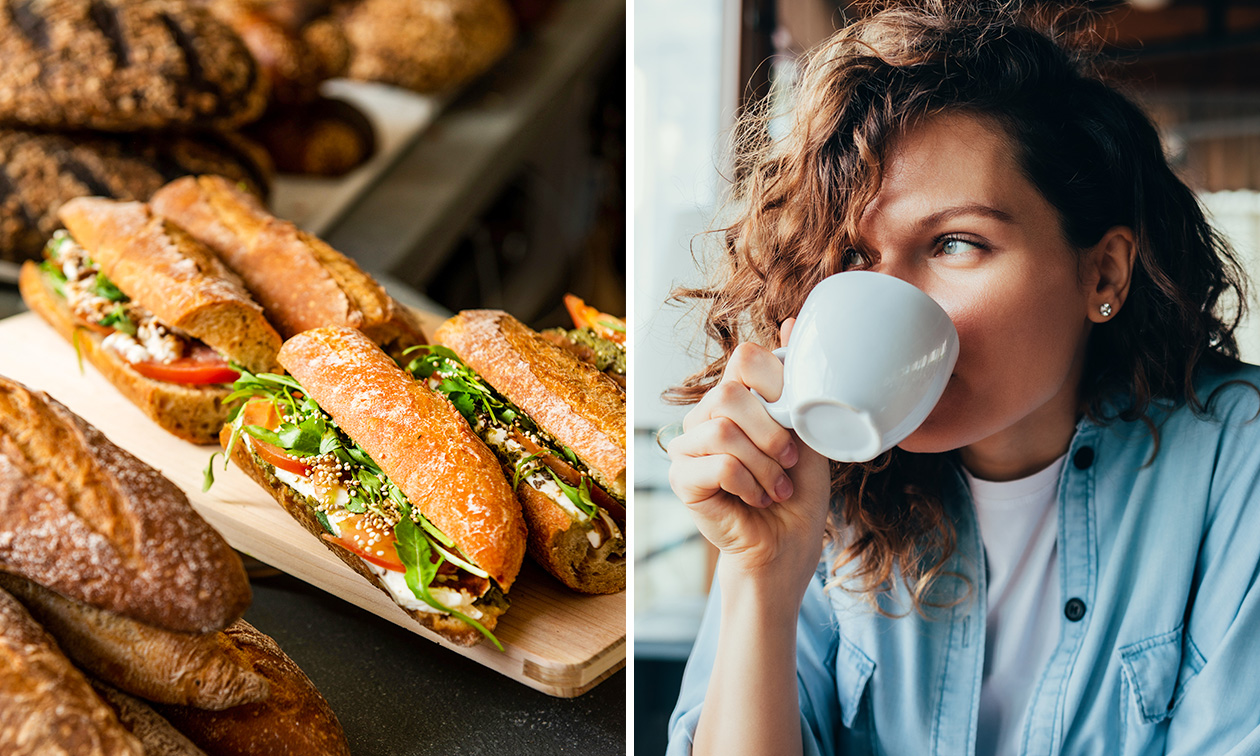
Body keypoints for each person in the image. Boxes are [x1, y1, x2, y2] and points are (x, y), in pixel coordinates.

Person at [663, 2, 1260, 755]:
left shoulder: (1236, 464)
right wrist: (761, 580)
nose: (890, 299)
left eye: (955, 243)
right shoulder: (816, 485)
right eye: (856, 257)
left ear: (1103, 273)